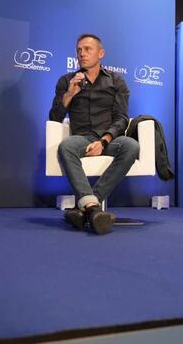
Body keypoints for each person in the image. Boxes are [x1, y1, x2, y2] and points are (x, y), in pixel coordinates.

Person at [49, 34, 139, 235]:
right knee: (66, 146)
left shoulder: (116, 81)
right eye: (79, 50)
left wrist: (104, 141)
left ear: (101, 53)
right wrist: (70, 94)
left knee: (131, 146)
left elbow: (121, 118)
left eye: (88, 49)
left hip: (109, 139)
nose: (82, 54)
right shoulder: (66, 81)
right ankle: (94, 209)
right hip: (81, 139)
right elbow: (55, 118)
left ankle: (88, 207)